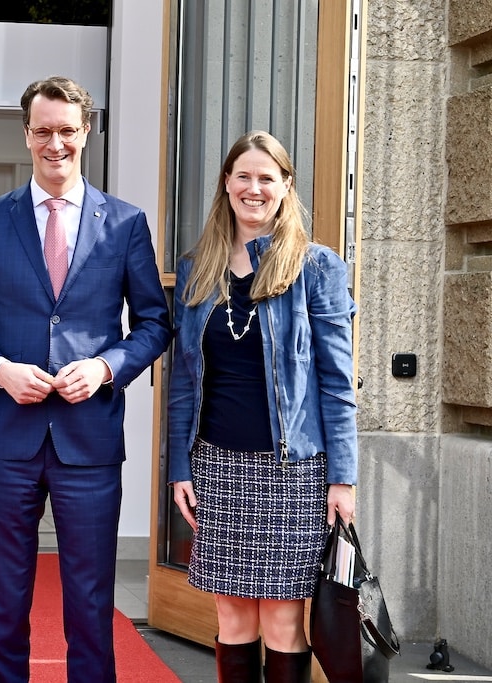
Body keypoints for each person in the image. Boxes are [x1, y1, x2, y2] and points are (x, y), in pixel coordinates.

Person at [0, 76, 172, 682]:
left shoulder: (125, 224)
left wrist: (105, 368)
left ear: (86, 132)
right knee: (3, 602)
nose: (55, 143)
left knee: (92, 603)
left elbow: (155, 323)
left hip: (90, 440)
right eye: (43, 131)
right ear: (26, 135)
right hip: (7, 438)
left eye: (67, 131)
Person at [168, 131, 358, 683]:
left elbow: (338, 383)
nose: (254, 189)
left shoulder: (316, 268)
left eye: (266, 178)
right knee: (230, 617)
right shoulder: (197, 269)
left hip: (293, 471)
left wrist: (342, 479)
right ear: (226, 184)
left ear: (285, 187)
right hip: (218, 467)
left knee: (281, 620)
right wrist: (180, 466)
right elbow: (183, 383)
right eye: (243, 177)